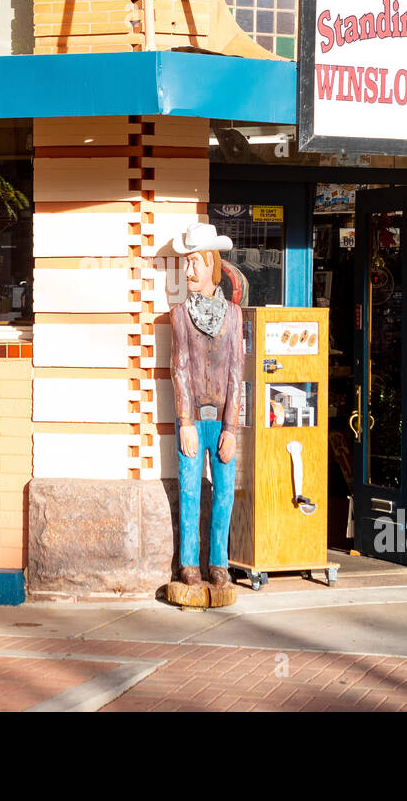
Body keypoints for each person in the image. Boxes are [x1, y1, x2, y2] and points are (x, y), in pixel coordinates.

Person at [170, 222, 244, 589]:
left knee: (225, 490)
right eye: (186, 263)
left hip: (222, 418)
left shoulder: (234, 316)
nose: (188, 271)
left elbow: (236, 372)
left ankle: (218, 562)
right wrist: (184, 420)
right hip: (193, 417)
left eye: (195, 262)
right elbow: (179, 368)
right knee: (189, 489)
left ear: (212, 265)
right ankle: (189, 563)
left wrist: (231, 428)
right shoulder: (180, 315)